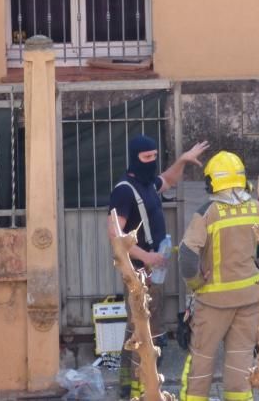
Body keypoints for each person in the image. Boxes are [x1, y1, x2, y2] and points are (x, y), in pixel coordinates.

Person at [178, 151, 259, 401]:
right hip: (249, 300)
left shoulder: (208, 212)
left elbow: (186, 256)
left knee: (201, 366)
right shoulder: (256, 208)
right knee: (239, 369)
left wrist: (195, 281)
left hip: (212, 302)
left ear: (211, 183)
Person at [107, 134, 209, 400]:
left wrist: (183, 160)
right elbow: (114, 233)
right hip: (139, 273)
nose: (151, 162)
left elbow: (169, 179)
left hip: (154, 272)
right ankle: (134, 388)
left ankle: (140, 384)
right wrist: (146, 256)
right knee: (140, 331)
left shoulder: (148, 184)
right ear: (134, 158)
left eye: (154, 156)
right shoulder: (124, 190)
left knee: (147, 329)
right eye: (146, 157)